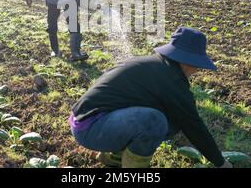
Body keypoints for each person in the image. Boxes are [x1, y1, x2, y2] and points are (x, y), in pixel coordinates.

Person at [69, 27, 233, 168]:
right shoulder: (172, 79)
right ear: (186, 61)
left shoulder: (157, 66)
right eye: (197, 64)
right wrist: (221, 162)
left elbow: (183, 120)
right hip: (91, 128)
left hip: (89, 121)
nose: (197, 69)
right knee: (154, 121)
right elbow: (194, 125)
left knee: (171, 121)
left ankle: (113, 158)